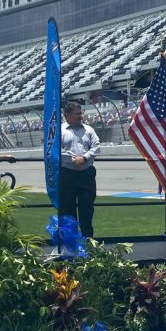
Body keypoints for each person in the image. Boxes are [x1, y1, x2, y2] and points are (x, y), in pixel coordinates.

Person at [60, 101, 100, 238]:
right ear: (67, 115)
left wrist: (84, 157)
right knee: (67, 210)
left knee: (87, 209)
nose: (80, 116)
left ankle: (88, 241)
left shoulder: (89, 130)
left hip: (86, 175)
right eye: (77, 114)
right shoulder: (59, 131)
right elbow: (55, 151)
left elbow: (96, 147)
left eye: (80, 113)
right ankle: (71, 244)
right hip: (67, 175)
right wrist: (73, 160)